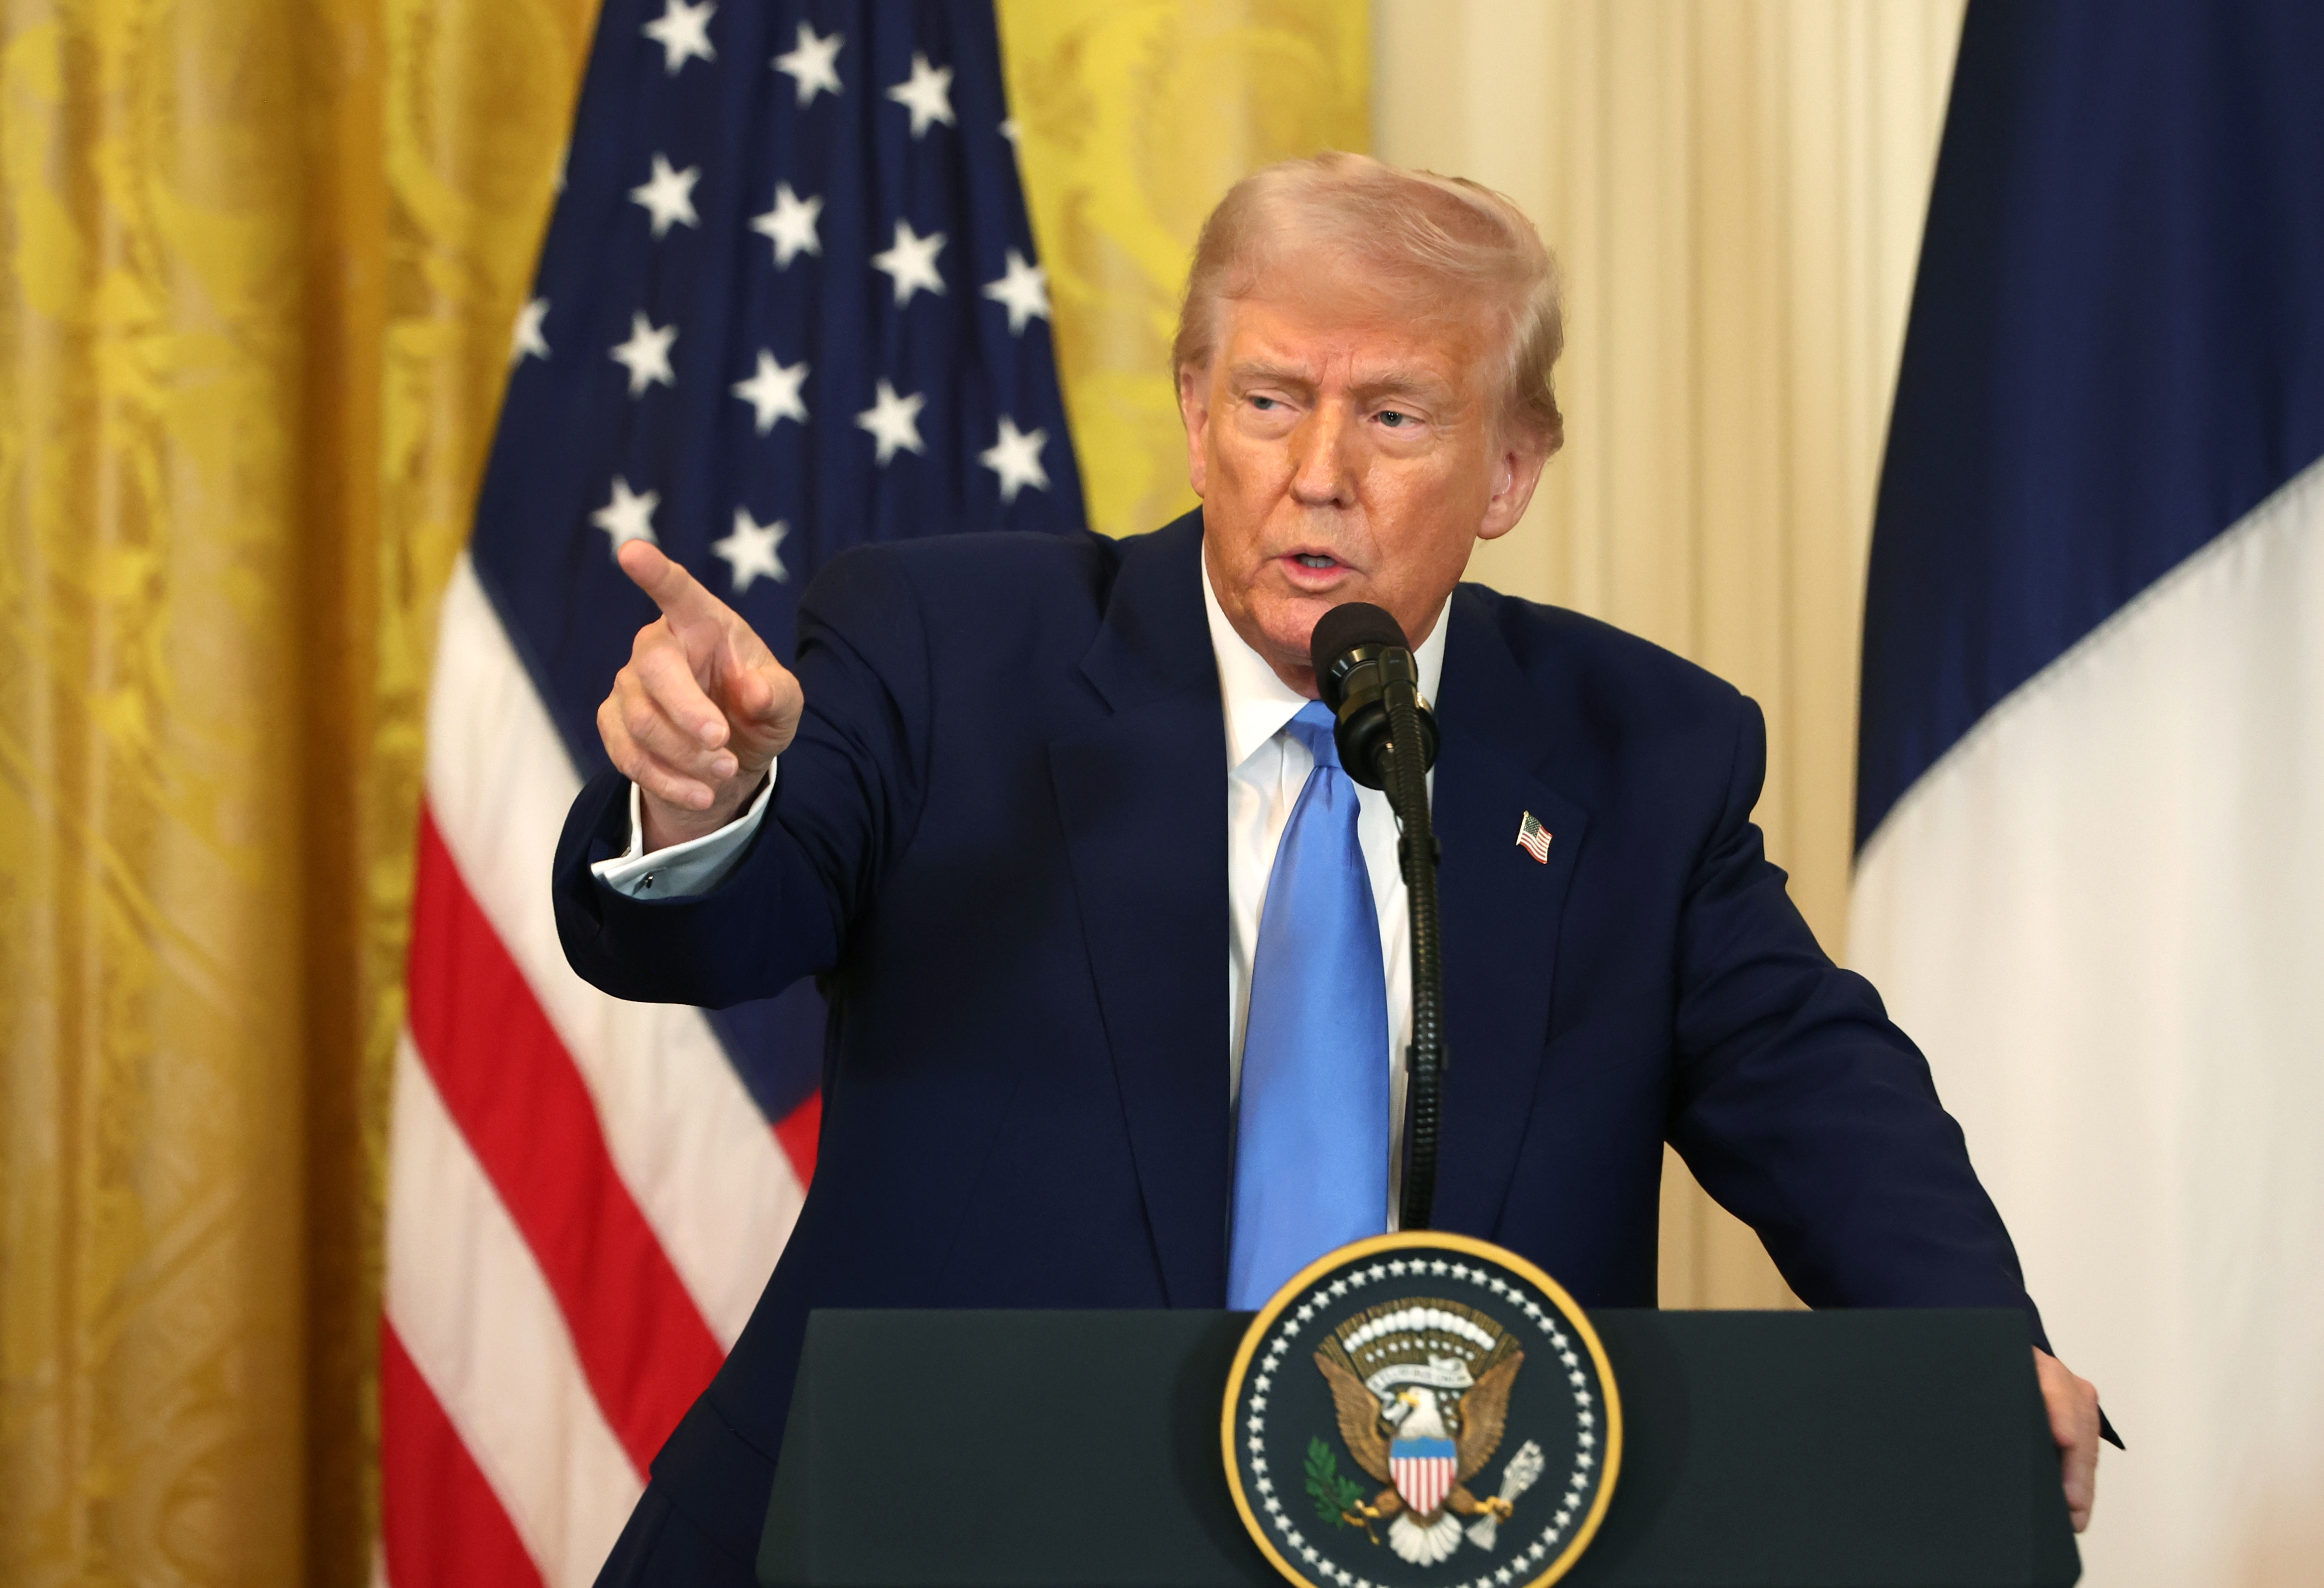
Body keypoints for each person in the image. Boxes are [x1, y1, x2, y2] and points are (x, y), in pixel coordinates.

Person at [557, 154, 2102, 1585]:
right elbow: (723, 918)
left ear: (1509, 470)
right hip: (927, 1524)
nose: (1316, 471)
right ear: (1191, 414)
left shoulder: (1638, 754)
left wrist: (1973, 1354)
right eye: (1269, 399)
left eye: (1394, 416)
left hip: (1413, 1539)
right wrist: (700, 807)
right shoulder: (949, 650)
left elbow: (1815, 1089)